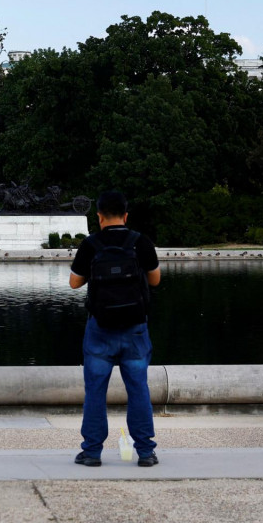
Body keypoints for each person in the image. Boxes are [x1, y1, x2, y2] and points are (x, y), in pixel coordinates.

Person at [69, 190, 161, 468]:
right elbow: (155, 280)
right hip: (134, 328)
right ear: (126, 215)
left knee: (95, 392)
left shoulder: (91, 244)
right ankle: (145, 451)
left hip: (100, 329)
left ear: (98, 216)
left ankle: (93, 451)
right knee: (138, 390)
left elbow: (74, 283)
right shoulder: (139, 242)